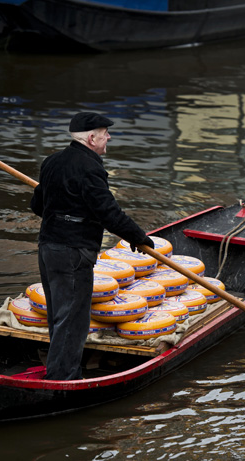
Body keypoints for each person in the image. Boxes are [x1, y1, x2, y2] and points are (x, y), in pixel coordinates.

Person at [30, 112, 154, 380]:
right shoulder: (90, 167)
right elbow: (108, 212)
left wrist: (65, 212)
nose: (108, 137)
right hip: (73, 252)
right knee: (72, 320)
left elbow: (37, 206)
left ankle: (59, 371)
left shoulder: (51, 161)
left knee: (58, 315)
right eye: (105, 132)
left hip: (47, 248)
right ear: (91, 138)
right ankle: (63, 379)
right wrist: (139, 237)